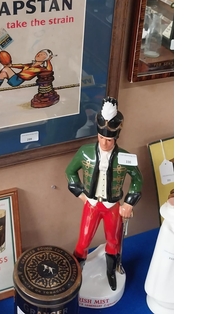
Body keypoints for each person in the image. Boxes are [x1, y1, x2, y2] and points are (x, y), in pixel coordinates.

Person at [65, 97, 143, 291]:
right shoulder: (85, 152)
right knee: (84, 240)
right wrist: (80, 194)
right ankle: (77, 271)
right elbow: (70, 172)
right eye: (101, 138)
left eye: (109, 139)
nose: (105, 143)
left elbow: (137, 179)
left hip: (112, 206)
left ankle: (111, 270)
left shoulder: (125, 157)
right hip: (91, 204)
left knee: (114, 240)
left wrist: (129, 203)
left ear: (116, 138)